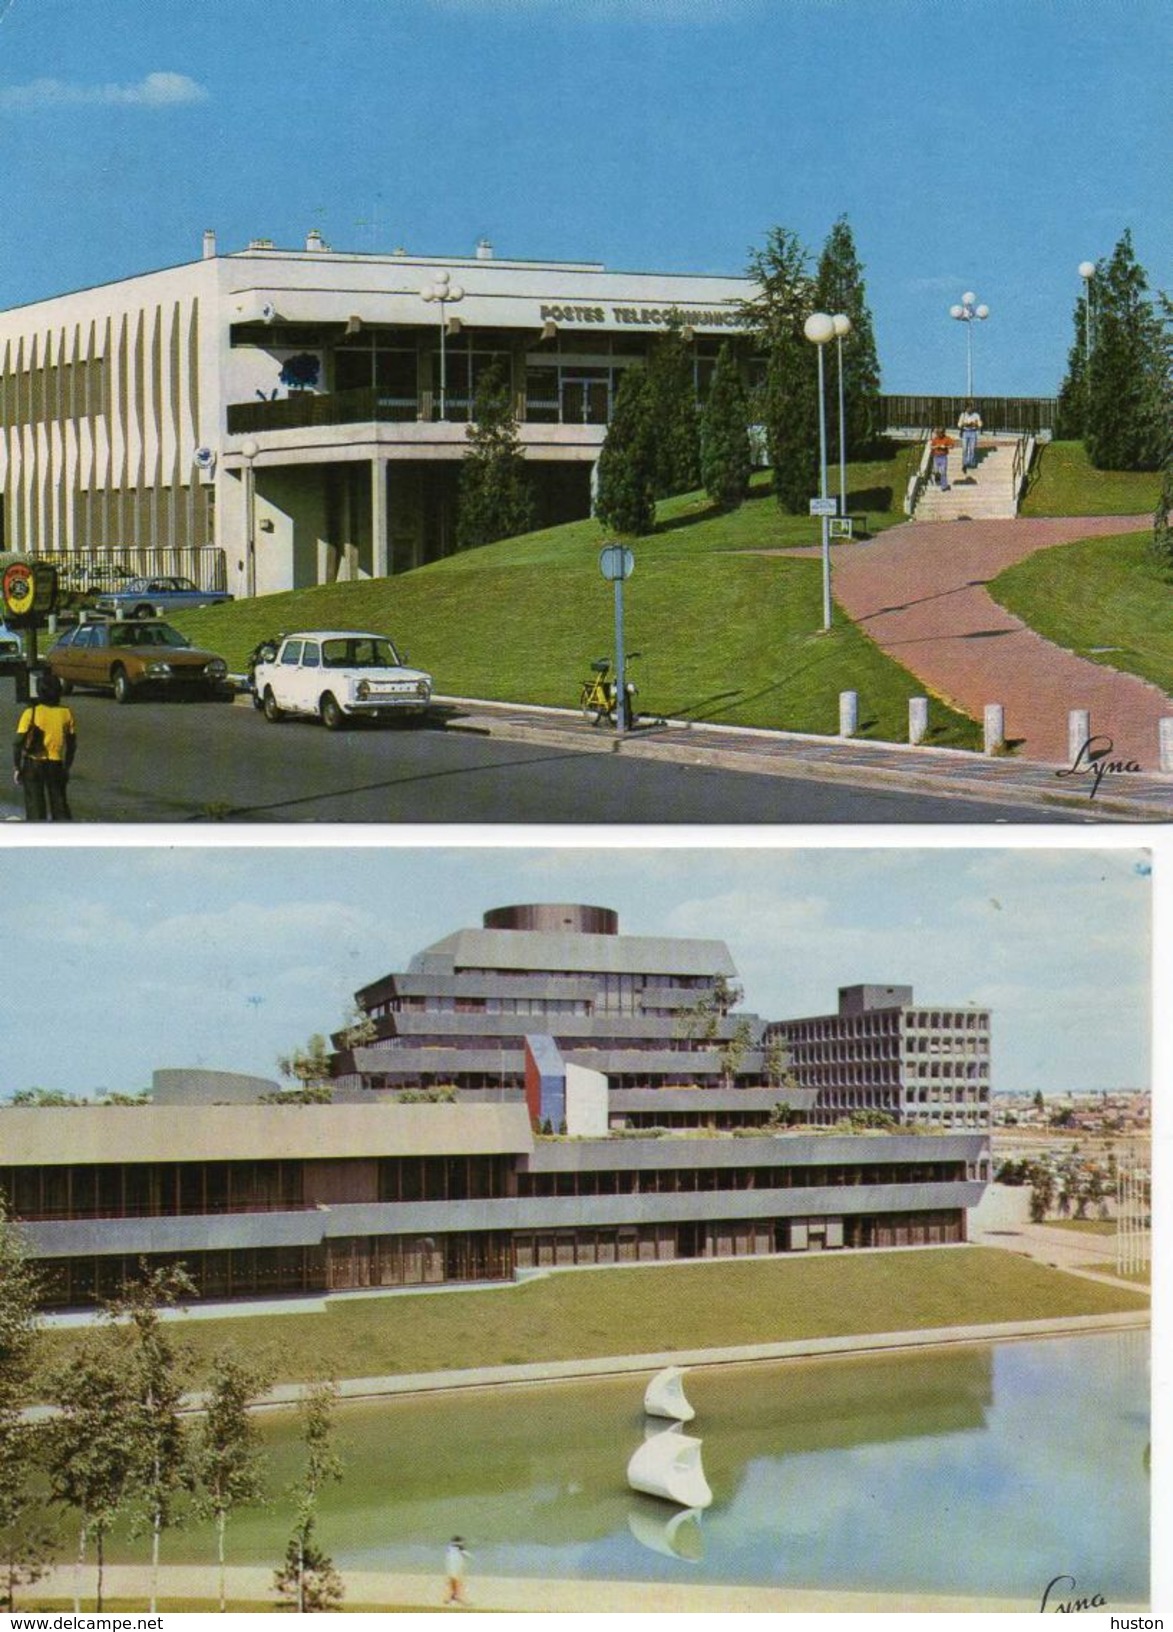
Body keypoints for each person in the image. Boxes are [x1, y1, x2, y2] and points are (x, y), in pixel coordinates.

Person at [13, 670, 77, 822]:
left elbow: (18, 742)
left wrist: (17, 767)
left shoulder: (31, 713)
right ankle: (63, 838)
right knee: (60, 805)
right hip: (55, 764)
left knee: (35, 808)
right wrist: (66, 767)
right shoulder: (66, 713)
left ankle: (38, 839)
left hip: (33, 763)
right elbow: (72, 744)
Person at [957, 402, 982, 477]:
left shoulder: (976, 415)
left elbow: (980, 424)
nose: (969, 409)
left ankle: (971, 462)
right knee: (964, 448)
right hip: (965, 432)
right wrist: (964, 424)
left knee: (972, 448)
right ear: (966, 408)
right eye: (968, 408)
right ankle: (964, 463)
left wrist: (976, 424)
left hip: (973, 432)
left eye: (970, 408)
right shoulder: (963, 415)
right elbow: (959, 424)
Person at [443, 1536, 469, 1606]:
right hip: (456, 1569)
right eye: (462, 1541)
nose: (463, 1543)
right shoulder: (460, 1548)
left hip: (451, 1568)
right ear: (459, 1542)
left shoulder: (449, 1548)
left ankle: (453, 1597)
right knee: (457, 1583)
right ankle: (455, 1597)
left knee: (452, 1583)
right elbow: (468, 1555)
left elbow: (448, 1558)